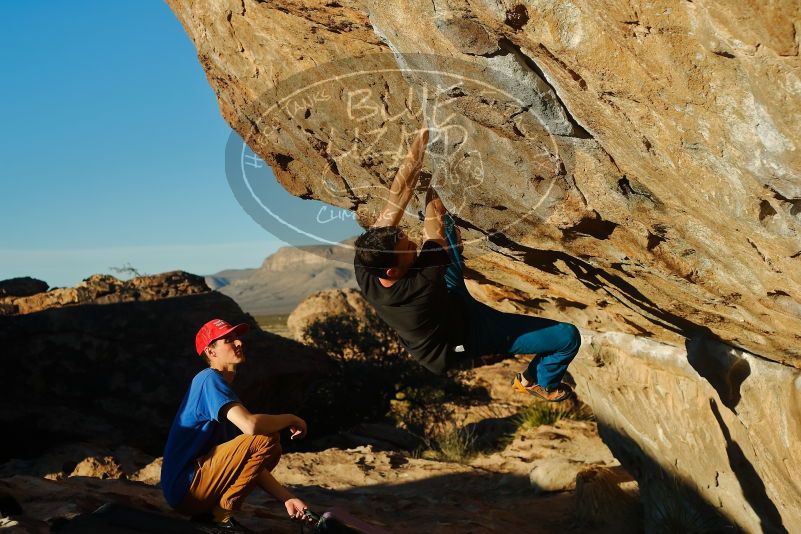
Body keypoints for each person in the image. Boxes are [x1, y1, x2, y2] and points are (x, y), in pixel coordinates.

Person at [353, 127, 581, 402]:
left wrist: (424, 138)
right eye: (406, 248)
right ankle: (539, 382)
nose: (412, 242)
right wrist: (442, 173)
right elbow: (432, 226)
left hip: (446, 299)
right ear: (393, 271)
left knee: (441, 218)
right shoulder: (423, 282)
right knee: (566, 338)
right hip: (461, 338)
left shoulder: (368, 257)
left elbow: (397, 196)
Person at [161, 318, 313, 530]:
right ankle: (220, 516)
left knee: (272, 447)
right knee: (266, 438)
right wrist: (291, 418)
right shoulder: (208, 379)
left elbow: (248, 463)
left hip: (193, 490)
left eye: (237, 338)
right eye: (228, 340)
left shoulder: (223, 391)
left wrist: (287, 498)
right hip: (187, 487)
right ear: (211, 352)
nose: (239, 343)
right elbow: (251, 426)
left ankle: (212, 515)